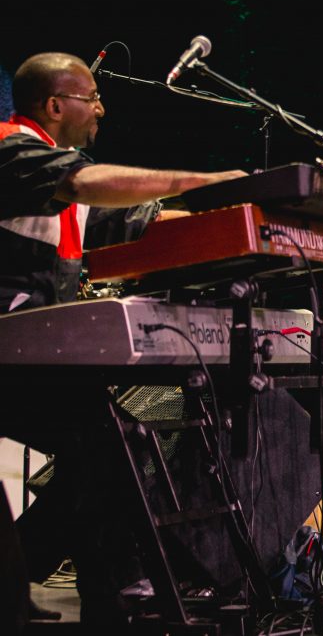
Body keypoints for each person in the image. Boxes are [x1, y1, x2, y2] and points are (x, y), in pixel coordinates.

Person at [0, 52, 244, 629]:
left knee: (124, 439)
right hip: (11, 354)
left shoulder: (68, 183)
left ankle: (86, 587)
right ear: (55, 104)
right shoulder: (11, 149)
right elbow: (87, 181)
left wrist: (245, 213)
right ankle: (78, 583)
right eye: (92, 97)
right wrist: (205, 181)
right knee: (110, 443)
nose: (101, 108)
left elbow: (142, 217)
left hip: (47, 353)